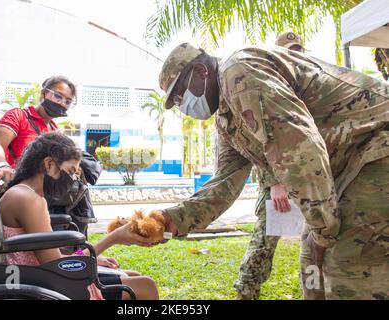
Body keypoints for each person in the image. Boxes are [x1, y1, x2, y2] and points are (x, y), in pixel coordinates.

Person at [157, 42, 389, 300]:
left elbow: (300, 152)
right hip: (346, 171)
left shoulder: (239, 72)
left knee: (346, 266)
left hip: (377, 148)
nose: (182, 105)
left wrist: (324, 229)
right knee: (312, 266)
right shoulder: (226, 119)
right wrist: (169, 221)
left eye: (179, 95)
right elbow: (223, 184)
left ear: (201, 71)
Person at [0, 132, 159, 300]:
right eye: (71, 171)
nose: (74, 179)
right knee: (146, 285)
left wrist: (92, 258)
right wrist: (113, 238)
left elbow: (53, 258)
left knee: (133, 275)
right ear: (48, 164)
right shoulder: (29, 200)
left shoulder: (26, 194)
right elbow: (58, 266)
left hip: (38, 277)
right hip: (44, 285)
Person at [234, 31, 305, 300]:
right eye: (289, 50)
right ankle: (246, 292)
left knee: (321, 238)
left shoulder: (307, 85)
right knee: (265, 240)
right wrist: (274, 182)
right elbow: (257, 139)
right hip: (278, 180)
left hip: (310, 176)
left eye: (298, 50)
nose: (294, 55)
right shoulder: (267, 84)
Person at [0, 76, 99, 234]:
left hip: (48, 196)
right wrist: (2, 164)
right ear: (44, 93)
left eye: (68, 101)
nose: (62, 103)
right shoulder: (19, 115)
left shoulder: (55, 129)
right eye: (58, 96)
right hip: (19, 191)